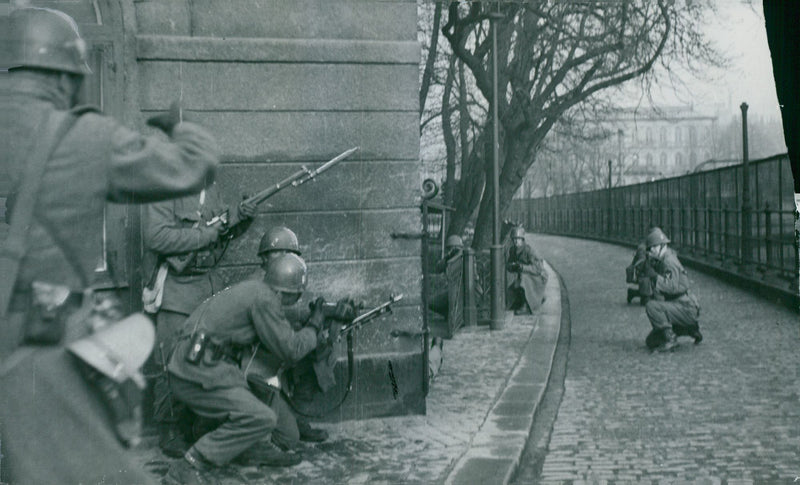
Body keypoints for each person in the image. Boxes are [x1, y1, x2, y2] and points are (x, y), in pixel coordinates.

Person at [0, 7, 219, 485]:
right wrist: (176, 125)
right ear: (65, 76)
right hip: (37, 348)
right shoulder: (81, 136)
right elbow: (193, 165)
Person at [165, 253, 330, 484]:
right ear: (283, 292)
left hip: (188, 362)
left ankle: (250, 447)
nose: (295, 300)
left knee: (250, 400)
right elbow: (291, 349)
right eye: (295, 295)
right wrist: (314, 325)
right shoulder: (266, 299)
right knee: (261, 417)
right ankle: (189, 464)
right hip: (200, 369)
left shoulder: (253, 289)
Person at [143, 174, 257, 457]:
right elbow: (156, 236)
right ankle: (169, 428)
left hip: (207, 288)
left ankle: (198, 424)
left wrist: (242, 219)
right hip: (176, 291)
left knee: (206, 357)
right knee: (170, 360)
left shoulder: (211, 191)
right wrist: (205, 235)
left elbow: (222, 233)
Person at [641, 227, 703, 352]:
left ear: (661, 246)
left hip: (685, 306)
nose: (651, 251)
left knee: (651, 306)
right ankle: (690, 328)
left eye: (653, 247)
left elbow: (672, 287)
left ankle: (671, 339)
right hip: (682, 305)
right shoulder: (665, 258)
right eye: (650, 248)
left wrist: (654, 277)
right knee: (651, 342)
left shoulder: (668, 262)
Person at [506, 226, 548, 315]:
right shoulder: (512, 250)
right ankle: (529, 300)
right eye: (514, 239)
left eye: (518, 239)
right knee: (511, 291)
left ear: (522, 240)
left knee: (523, 278)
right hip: (524, 275)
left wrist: (522, 267)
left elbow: (538, 268)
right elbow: (509, 264)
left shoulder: (529, 251)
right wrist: (511, 266)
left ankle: (525, 305)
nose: (516, 241)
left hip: (538, 277)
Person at [428, 235, 464, 320]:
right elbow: (438, 268)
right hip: (452, 290)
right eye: (450, 248)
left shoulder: (466, 257)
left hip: (464, 291)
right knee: (430, 302)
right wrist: (447, 257)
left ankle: (456, 315)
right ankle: (448, 314)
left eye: (455, 248)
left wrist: (458, 254)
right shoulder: (449, 259)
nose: (453, 250)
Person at [625, 241, 654, 305]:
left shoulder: (652, 246)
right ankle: (633, 293)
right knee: (646, 301)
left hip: (651, 274)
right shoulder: (642, 248)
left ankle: (637, 293)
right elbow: (640, 265)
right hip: (644, 275)